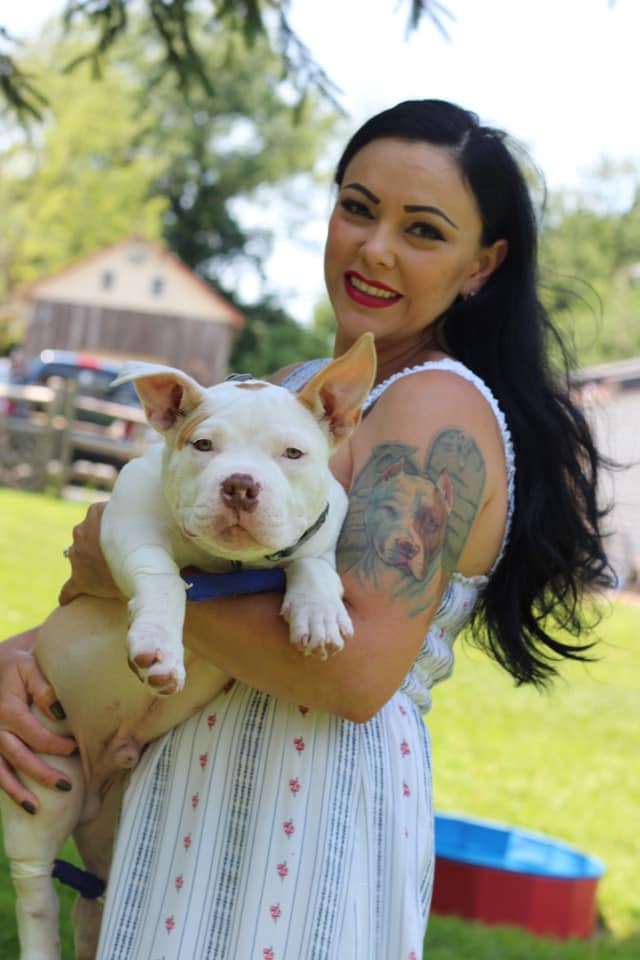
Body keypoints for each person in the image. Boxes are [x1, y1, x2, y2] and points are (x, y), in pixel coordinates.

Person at [0, 99, 611, 958]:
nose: (375, 248)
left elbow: (356, 669)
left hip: (299, 807)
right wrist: (22, 661)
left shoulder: (434, 406)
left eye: (423, 230)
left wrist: (123, 568)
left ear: (484, 265)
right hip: (193, 786)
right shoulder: (290, 393)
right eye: (358, 207)